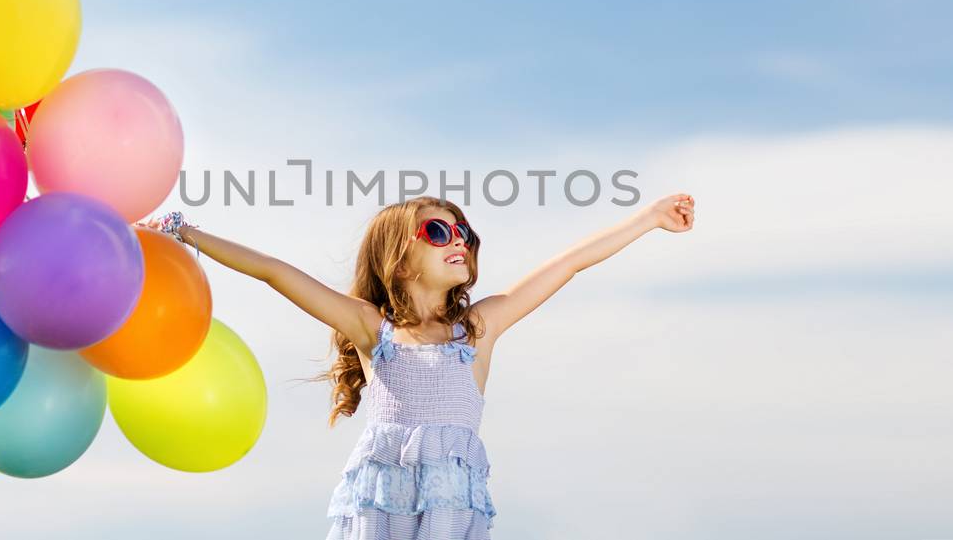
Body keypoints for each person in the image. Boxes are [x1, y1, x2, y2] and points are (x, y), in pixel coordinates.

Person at [141, 192, 695, 539]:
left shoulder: (478, 330)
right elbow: (274, 272)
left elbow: (570, 263)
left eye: (463, 233)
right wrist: (183, 231)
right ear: (398, 258)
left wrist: (647, 218)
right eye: (436, 231)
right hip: (378, 514)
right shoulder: (372, 330)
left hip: (449, 517)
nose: (457, 240)